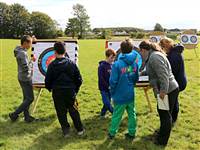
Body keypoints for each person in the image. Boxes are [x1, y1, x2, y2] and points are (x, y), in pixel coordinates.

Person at [139, 40, 179, 146]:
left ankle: (162, 142)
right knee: (163, 112)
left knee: (165, 115)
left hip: (168, 90)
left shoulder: (154, 57)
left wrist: (163, 92)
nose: (140, 54)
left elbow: (163, 76)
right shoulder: (152, 55)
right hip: (167, 89)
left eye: (140, 52)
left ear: (143, 50)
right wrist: (141, 73)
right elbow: (151, 70)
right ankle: (161, 133)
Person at [45, 41, 84, 138]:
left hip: (57, 92)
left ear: (54, 52)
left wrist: (50, 89)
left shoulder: (52, 65)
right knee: (74, 110)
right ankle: (80, 129)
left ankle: (66, 131)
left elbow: (47, 81)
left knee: (60, 112)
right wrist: (75, 90)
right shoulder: (71, 63)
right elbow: (79, 79)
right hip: (70, 92)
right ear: (65, 51)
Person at [108, 39, 139, 140]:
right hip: (130, 94)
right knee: (132, 114)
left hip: (119, 94)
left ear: (120, 50)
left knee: (117, 114)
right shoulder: (134, 63)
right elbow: (136, 78)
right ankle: (132, 132)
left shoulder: (116, 64)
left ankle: (112, 133)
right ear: (132, 49)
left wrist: (112, 93)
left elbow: (113, 81)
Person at [9, 35, 36, 123]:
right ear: (25, 43)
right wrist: (32, 61)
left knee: (26, 98)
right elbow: (25, 68)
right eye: (30, 44)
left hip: (21, 77)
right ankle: (14, 114)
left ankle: (27, 117)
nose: (30, 46)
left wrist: (33, 39)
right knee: (30, 98)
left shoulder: (19, 50)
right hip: (25, 78)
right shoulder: (22, 53)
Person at [160, 38, 187, 123]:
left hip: (178, 82)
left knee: (172, 102)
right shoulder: (174, 52)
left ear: (167, 46)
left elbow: (171, 72)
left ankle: (172, 119)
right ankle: (172, 119)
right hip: (179, 81)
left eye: (162, 47)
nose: (162, 49)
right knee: (174, 100)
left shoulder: (174, 56)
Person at [98, 49, 116, 118]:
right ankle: (114, 113)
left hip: (111, 88)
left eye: (114, 58)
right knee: (107, 102)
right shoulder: (102, 66)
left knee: (107, 102)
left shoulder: (113, 66)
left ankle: (102, 114)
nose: (113, 59)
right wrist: (107, 86)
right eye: (111, 57)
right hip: (104, 88)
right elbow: (101, 79)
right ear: (107, 57)